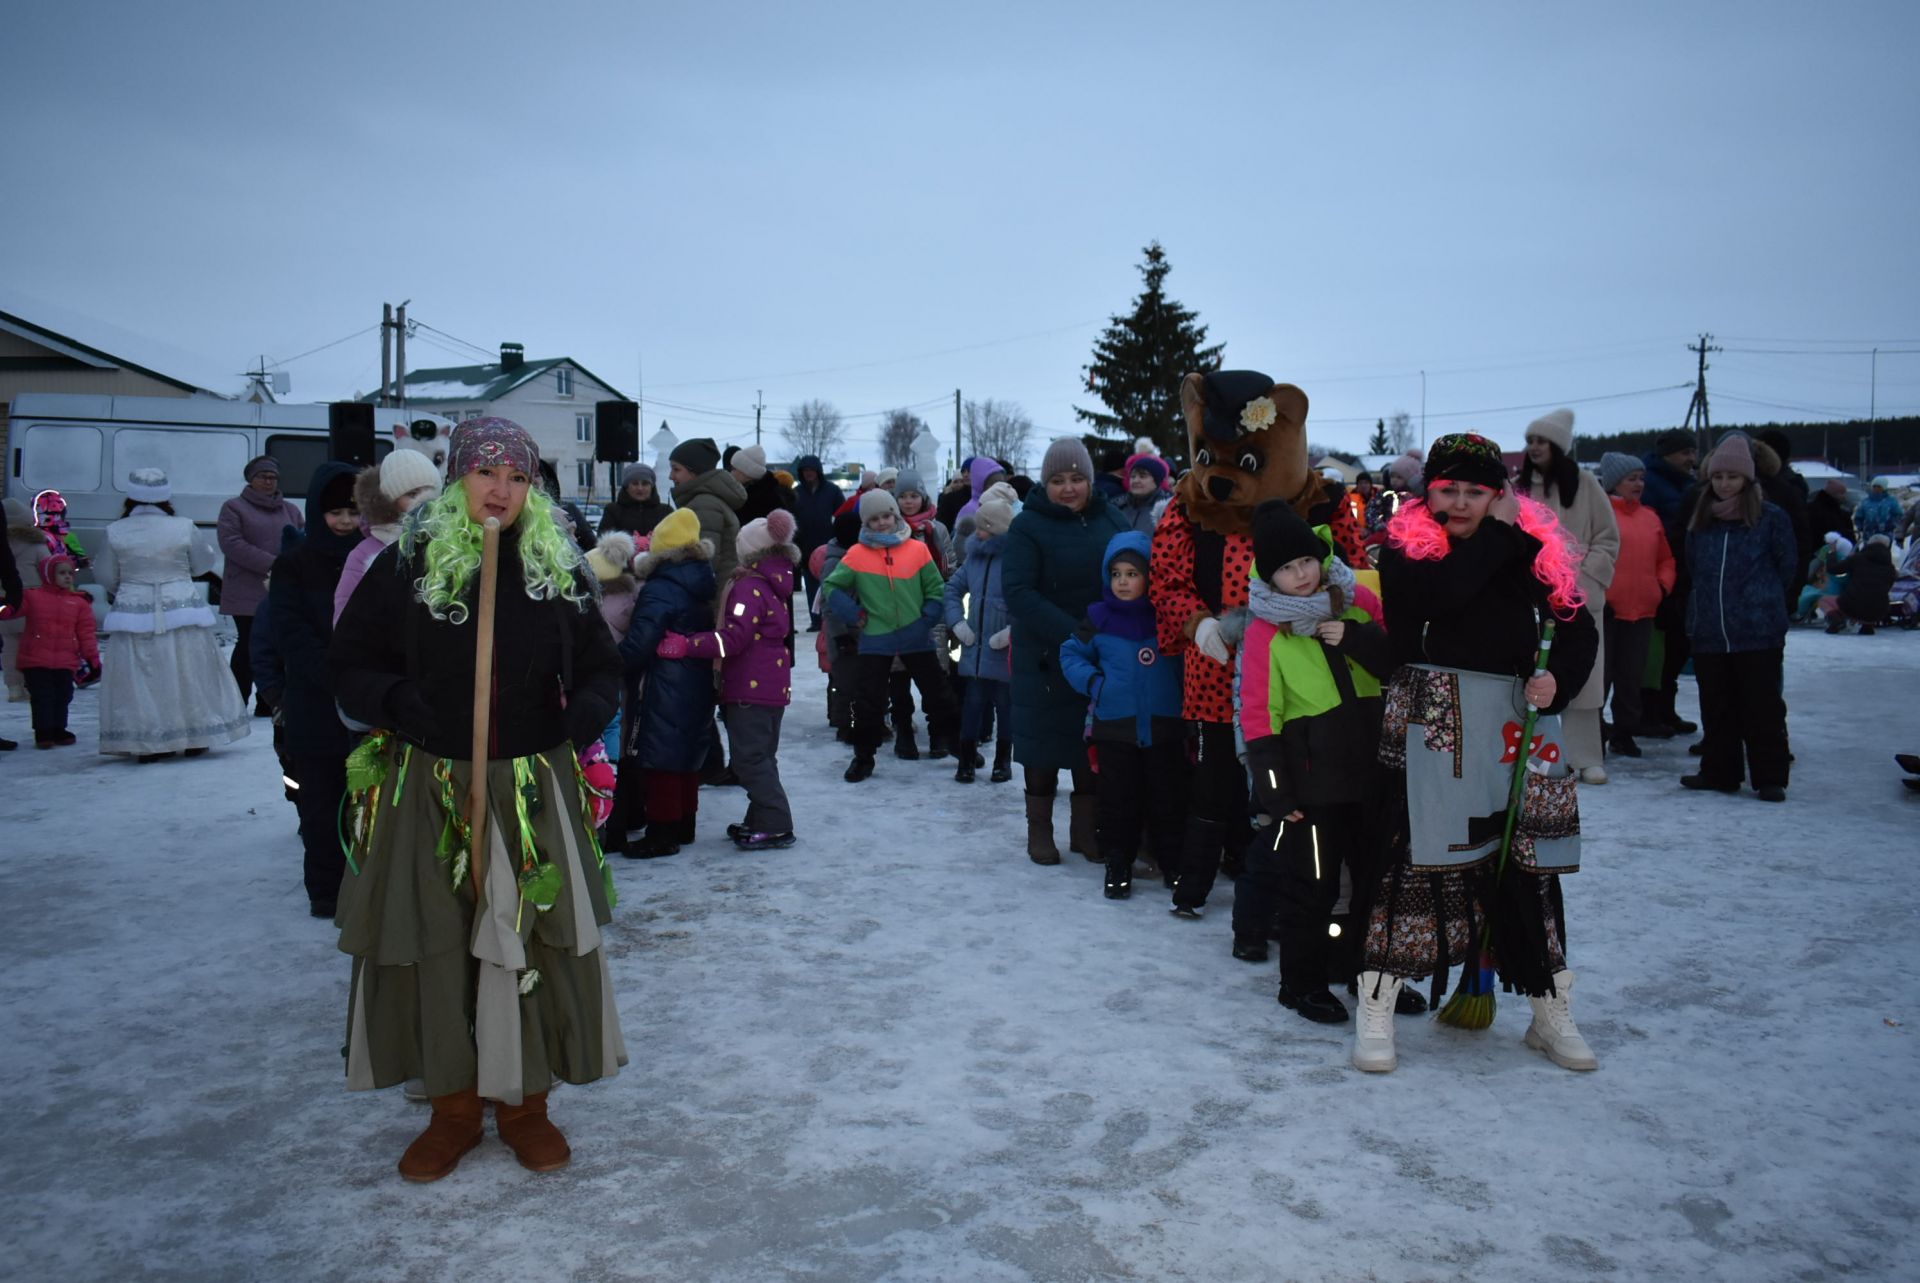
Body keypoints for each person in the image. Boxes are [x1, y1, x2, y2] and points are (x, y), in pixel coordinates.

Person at [329, 416, 625, 1181]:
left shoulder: (553, 568)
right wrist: (396, 698)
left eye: (518, 477)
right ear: (458, 476)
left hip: (528, 787)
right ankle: (453, 1108)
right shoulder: (407, 565)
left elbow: (602, 668)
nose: (501, 490)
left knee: (526, 936)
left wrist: (584, 712)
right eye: (487, 473)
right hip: (431, 784)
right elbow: (349, 664)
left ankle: (527, 1104)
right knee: (439, 939)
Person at [1352, 433, 1598, 1074]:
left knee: (1529, 869)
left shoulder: (1529, 552)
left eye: (1475, 491)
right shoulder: (1407, 550)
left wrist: (1558, 681)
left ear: (1498, 494)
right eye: (1447, 489)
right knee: (1408, 862)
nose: (1459, 503)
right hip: (1430, 720)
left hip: (1514, 728)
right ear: (1426, 492)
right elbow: (1444, 597)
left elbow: (1577, 626)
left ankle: (1549, 1008)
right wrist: (1503, 535)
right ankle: (1376, 1004)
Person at [1231, 502, 1393, 1021]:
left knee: (1375, 883)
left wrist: (1355, 636)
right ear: (1268, 576)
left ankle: (1368, 975)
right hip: (1312, 788)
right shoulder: (1264, 631)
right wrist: (1275, 791)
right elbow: (1259, 715)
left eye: (1307, 561)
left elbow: (1399, 660)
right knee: (1315, 888)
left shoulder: (1359, 599)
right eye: (1286, 568)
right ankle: (1301, 982)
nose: (1301, 575)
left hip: (1375, 773)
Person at [1003, 438, 1129, 862]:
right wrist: (1073, 632)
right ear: (1045, 483)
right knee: (1042, 743)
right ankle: (1040, 831)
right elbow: (1018, 591)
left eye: (1077, 478)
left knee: (1092, 741)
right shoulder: (1027, 525)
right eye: (1058, 480)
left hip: (1102, 648)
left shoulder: (1110, 517)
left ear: (1090, 480)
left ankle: (1084, 832)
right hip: (1045, 652)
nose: (1069, 488)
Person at [1057, 531, 1186, 900]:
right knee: (1118, 801)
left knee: (1168, 799)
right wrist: (1096, 684)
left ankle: (1172, 863)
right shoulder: (1097, 618)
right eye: (1116, 574)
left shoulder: (1167, 618)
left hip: (1165, 726)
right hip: (1115, 727)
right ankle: (1118, 863)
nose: (1123, 582)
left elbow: (1186, 662)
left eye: (1132, 573)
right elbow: (1070, 654)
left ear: (1150, 576)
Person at [95, 469, 252, 762]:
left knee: (142, 679)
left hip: (134, 611)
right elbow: (201, 563)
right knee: (187, 673)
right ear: (166, 496)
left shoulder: (115, 530)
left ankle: (147, 742)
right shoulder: (183, 526)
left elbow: (105, 574)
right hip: (181, 608)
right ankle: (195, 736)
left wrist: (130, 585)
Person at [670, 510, 801, 849]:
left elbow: (733, 638)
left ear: (748, 551)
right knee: (761, 755)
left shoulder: (749, 588)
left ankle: (774, 822)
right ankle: (760, 817)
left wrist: (688, 644)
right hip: (770, 684)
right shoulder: (774, 582)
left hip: (750, 686)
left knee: (749, 759)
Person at [265, 462, 362, 916]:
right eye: (335, 512)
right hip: (315, 701)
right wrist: (332, 673)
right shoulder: (295, 564)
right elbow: (289, 630)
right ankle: (326, 892)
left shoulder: (369, 557)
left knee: (362, 804)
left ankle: (365, 888)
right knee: (319, 806)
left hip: (364, 703)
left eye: (353, 511)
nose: (344, 522)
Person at [1681, 434, 1795, 801]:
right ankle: (1719, 771)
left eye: (1732, 476)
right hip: (1711, 630)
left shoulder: (1770, 518)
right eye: (1718, 477)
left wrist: (1764, 602)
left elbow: (1787, 566)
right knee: (1717, 706)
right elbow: (1693, 567)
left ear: (1747, 478)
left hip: (1757, 631)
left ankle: (1770, 777)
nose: (1724, 484)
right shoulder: (1701, 520)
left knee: (1762, 706)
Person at [822, 489, 959, 782]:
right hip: (876, 637)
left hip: (916, 635)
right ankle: (863, 756)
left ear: (895, 515)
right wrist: (855, 615)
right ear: (865, 523)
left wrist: (928, 617)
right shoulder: (856, 555)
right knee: (868, 701)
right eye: (874, 519)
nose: (882, 523)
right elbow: (831, 588)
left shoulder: (917, 549)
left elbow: (936, 587)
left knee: (938, 695)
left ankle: (960, 746)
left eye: (886, 516)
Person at [1514, 409, 1618, 785]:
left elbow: (1608, 537)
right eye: (1530, 441)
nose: (1535, 447)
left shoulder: (1586, 483)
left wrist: (1585, 580)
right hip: (1533, 594)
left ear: (1558, 446)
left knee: (1585, 676)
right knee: (1533, 675)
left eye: (1542, 440)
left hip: (1578, 596)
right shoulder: (1519, 486)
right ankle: (1532, 752)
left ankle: (1587, 755)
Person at [617, 507, 719, 857]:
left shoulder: (661, 587)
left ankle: (661, 833)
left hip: (663, 681)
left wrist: (609, 663)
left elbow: (640, 642)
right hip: (694, 678)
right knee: (686, 752)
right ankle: (684, 823)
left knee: (661, 756)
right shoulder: (699, 579)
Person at [1598, 453, 1675, 758]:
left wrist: (1661, 586)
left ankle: (1624, 732)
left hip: (1642, 611)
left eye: (1641, 478)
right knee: (1598, 680)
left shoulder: (1651, 517)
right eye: (1632, 478)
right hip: (1605, 611)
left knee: (1631, 678)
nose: (1639, 484)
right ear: (1615, 482)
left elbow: (1666, 559)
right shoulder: (1602, 516)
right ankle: (1594, 734)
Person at [217, 455, 303, 714]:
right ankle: (237, 700)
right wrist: (273, 563)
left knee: (276, 645)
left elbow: (302, 539)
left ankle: (268, 701)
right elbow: (231, 543)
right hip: (246, 589)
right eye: (262, 477)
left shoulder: (290, 509)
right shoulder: (234, 508)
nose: (268, 482)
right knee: (246, 646)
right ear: (250, 480)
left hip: (281, 590)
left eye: (272, 477)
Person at [945, 492, 1016, 784]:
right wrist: (957, 623)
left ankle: (1003, 761)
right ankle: (966, 760)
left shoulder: (1014, 562)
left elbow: (1026, 602)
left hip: (1003, 652)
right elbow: (951, 590)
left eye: (984, 526)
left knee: (1005, 709)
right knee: (972, 706)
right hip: (975, 651)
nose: (978, 531)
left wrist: (1012, 632)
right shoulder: (973, 559)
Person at [0, 553, 99, 748]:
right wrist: (5, 607)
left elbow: (86, 633)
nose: (68, 577)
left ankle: (58, 729)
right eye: (62, 573)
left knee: (63, 695)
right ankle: (43, 732)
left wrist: (92, 658)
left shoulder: (79, 603)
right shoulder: (32, 597)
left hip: (65, 659)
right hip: (35, 658)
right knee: (41, 696)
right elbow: (13, 610)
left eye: (70, 573)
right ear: (47, 575)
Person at [334, 449, 443, 624]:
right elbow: (345, 618)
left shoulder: (448, 544)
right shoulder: (364, 554)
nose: (425, 501)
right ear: (390, 501)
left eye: (431, 491)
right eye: (413, 494)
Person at [668, 438, 746, 580]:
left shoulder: (704, 504)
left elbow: (706, 563)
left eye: (676, 469)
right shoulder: (707, 500)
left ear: (694, 471)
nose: (671, 476)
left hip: (711, 596)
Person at [3, 497, 54, 704]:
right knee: (33, 646)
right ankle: (31, 685)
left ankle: (14, 687)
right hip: (33, 601)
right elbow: (48, 570)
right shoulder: (36, 544)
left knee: (9, 647)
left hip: (5, 600)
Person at [790, 455, 844, 630]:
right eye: (805, 471)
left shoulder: (832, 491)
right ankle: (816, 621)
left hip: (828, 544)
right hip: (805, 545)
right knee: (811, 584)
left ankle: (830, 618)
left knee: (830, 583)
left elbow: (842, 515)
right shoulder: (796, 493)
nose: (809, 474)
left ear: (818, 472)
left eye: (811, 471)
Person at [1823, 535, 1896, 635]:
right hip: (1879, 609)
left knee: (1824, 600)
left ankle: (1836, 620)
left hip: (1852, 605)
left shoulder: (1858, 558)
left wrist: (1832, 553)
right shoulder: (1890, 568)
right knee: (1872, 598)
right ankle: (1867, 625)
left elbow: (1833, 569)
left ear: (1869, 544)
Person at [598, 463, 671, 539]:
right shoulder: (613, 510)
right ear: (627, 486)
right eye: (635, 483)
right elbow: (604, 539)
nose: (640, 488)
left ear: (652, 487)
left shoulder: (666, 511)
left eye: (645, 484)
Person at [729, 444, 794, 525]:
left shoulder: (766, 500)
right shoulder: (742, 494)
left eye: (734, 469)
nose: (731, 473)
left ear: (746, 473)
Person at [1115, 454, 1172, 536]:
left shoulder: (1167, 508)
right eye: (1133, 476)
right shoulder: (1118, 506)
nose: (1136, 480)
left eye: (1143, 476)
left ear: (1156, 481)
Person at [1806, 477, 1855, 550]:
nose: (1844, 497)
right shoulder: (1838, 514)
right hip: (1830, 552)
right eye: (1842, 493)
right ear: (1835, 494)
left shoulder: (1811, 509)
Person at [1855, 478, 1904, 543]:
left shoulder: (1891, 501)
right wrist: (1860, 528)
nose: (1876, 488)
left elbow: (1899, 516)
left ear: (1884, 488)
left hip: (1886, 534)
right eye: (1874, 486)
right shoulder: (1865, 501)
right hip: (1868, 535)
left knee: (1883, 552)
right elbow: (1858, 517)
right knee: (1869, 552)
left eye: (1879, 487)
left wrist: (1892, 526)